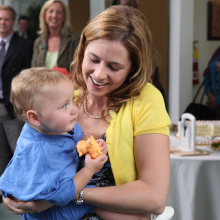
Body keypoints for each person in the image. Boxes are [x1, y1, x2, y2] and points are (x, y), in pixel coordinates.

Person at [3, 6, 171, 220]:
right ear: (82, 50)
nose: (99, 74)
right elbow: (28, 149)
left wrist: (70, 196)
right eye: (93, 59)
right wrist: (13, 192)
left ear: (133, 68)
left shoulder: (146, 99)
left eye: (114, 66)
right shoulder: (64, 90)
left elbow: (154, 198)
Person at [0, 4, 33, 201]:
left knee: (20, 152)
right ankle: (4, 192)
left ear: (12, 21)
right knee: (0, 155)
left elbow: (28, 78)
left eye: (6, 19)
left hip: (12, 108)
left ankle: (25, 193)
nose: (2, 22)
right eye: (0, 18)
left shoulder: (25, 45)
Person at [111, 0, 168, 109]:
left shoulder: (141, 31)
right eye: (128, 5)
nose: (133, 10)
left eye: (135, 6)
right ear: (115, 7)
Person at [31, 0, 79, 72]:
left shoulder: (74, 39)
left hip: (66, 82)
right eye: (51, 11)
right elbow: (33, 70)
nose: (54, 15)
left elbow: (78, 69)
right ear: (44, 15)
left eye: (59, 12)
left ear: (64, 17)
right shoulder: (38, 42)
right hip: (42, 83)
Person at [203, 46, 220, 119]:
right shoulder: (218, 50)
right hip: (217, 111)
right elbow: (207, 74)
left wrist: (217, 100)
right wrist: (210, 95)